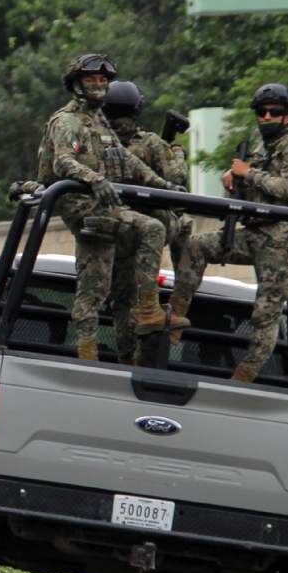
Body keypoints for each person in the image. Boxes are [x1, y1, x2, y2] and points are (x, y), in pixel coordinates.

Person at [168, 83, 288, 381]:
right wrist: (233, 178)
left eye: (274, 112)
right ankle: (176, 318)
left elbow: (284, 188)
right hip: (254, 233)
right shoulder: (261, 148)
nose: (266, 117)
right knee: (196, 246)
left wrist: (246, 172)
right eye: (261, 112)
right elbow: (252, 182)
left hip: (282, 242)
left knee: (265, 315)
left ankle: (244, 376)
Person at [37, 53, 186, 361]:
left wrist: (165, 186)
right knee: (152, 228)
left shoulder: (99, 121)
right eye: (90, 80)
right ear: (76, 85)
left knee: (96, 291)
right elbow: (63, 161)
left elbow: (126, 160)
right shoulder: (67, 121)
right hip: (85, 208)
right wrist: (94, 179)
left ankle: (100, 358)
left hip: (103, 209)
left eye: (103, 80)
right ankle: (148, 310)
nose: (97, 86)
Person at [100, 80, 192, 363]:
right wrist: (178, 153)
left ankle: (126, 359)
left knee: (122, 301)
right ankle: (180, 304)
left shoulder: (98, 145)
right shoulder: (151, 143)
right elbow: (177, 180)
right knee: (186, 223)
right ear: (136, 108)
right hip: (152, 228)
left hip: (115, 234)